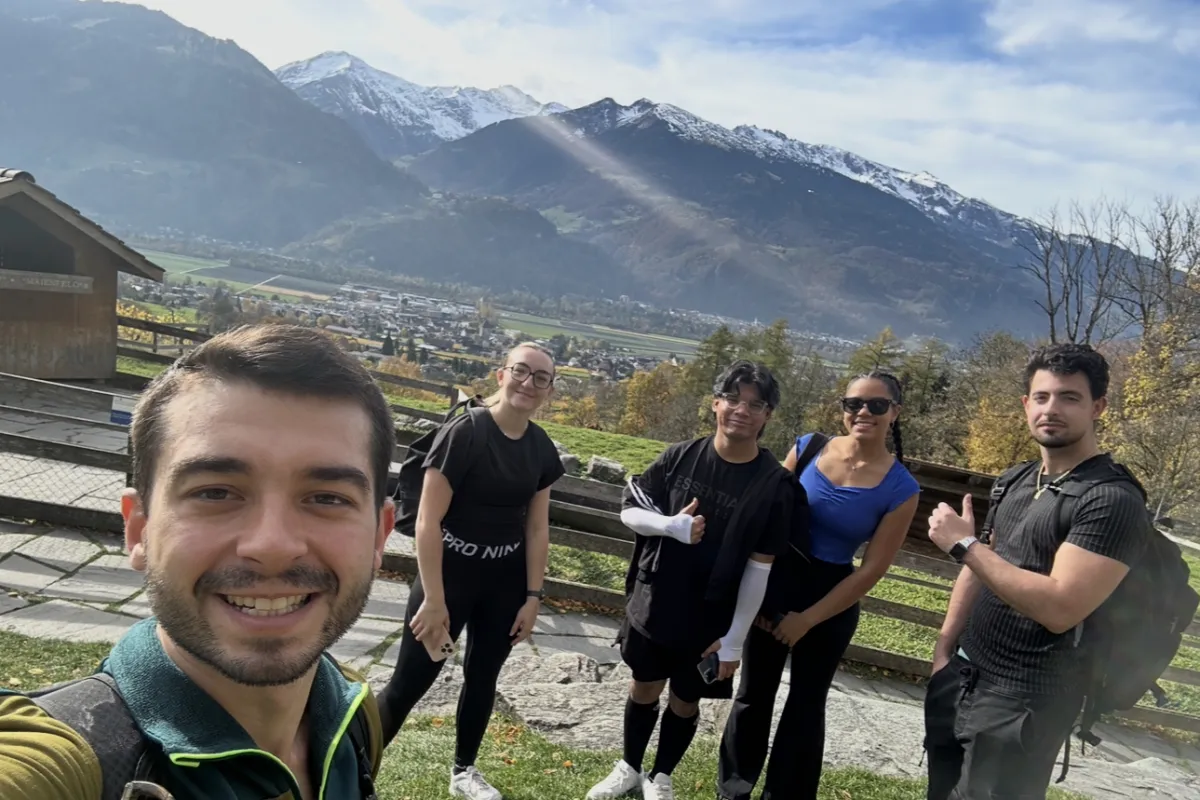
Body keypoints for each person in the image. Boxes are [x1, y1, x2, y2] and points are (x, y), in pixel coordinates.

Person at [0, 324, 397, 799]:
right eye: (215, 492)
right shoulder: (67, 759)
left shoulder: (353, 714)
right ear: (138, 529)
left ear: (380, 535)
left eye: (327, 498)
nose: (272, 544)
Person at [924, 343, 1151, 799]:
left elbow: (1060, 607)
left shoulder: (1111, 500)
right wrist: (944, 654)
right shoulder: (1016, 478)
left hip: (1025, 701)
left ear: (1098, 407)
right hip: (963, 677)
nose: (1052, 409)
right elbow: (981, 566)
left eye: (1070, 397)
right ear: (1027, 405)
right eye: (1042, 397)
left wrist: (963, 544)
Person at [586, 360, 795, 800]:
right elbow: (630, 510)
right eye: (733, 399)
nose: (742, 410)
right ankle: (628, 766)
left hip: (713, 618)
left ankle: (661, 777)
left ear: (768, 415)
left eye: (755, 404)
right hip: (656, 601)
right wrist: (669, 526)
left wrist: (736, 638)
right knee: (643, 686)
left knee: (686, 698)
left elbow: (761, 567)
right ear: (716, 403)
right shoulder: (679, 456)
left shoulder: (775, 485)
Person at [716, 370, 921, 800]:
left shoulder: (902, 488)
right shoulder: (807, 448)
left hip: (832, 598)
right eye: (854, 404)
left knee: (806, 707)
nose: (864, 412)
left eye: (877, 405)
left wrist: (808, 620)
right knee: (754, 695)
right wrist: (758, 595)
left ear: (895, 413)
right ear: (842, 409)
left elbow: (871, 570)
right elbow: (768, 514)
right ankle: (733, 791)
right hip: (777, 581)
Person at [376, 342, 565, 800]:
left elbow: (537, 529)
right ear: (501, 375)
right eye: (521, 371)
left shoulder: (541, 448)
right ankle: (354, 769)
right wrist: (436, 602)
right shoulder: (466, 431)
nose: (529, 383)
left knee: (484, 677)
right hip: (449, 578)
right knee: (410, 682)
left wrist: (533, 597)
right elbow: (427, 520)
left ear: (549, 391)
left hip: (504, 582)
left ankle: (464, 772)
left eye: (541, 377)